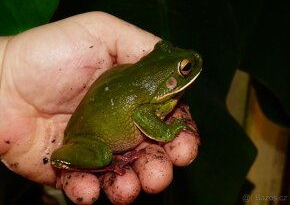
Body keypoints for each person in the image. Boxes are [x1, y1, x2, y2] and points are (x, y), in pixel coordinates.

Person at [0, 12, 199, 204]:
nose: (192, 62)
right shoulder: (155, 95)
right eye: (186, 68)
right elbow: (140, 113)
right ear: (171, 82)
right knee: (103, 156)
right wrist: (167, 131)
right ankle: (104, 162)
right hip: (92, 138)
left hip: (95, 114)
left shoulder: (156, 90)